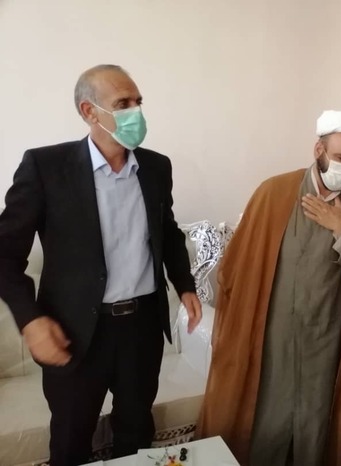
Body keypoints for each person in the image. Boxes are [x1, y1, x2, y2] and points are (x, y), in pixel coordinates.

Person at [0, 64, 202, 466]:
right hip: (76, 333)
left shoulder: (156, 167)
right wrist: (31, 320)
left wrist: (184, 283)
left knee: (136, 435)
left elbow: (166, 230)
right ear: (89, 111)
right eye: (123, 104)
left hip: (142, 329)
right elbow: (4, 254)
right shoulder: (46, 167)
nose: (136, 112)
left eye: (138, 102)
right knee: (71, 440)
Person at [196, 110, 341, 466]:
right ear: (319, 149)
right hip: (273, 329)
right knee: (269, 411)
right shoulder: (275, 192)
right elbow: (238, 262)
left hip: (325, 333)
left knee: (314, 414)